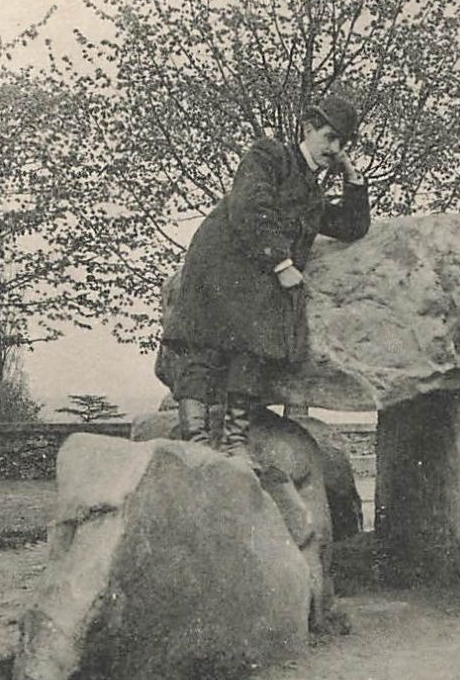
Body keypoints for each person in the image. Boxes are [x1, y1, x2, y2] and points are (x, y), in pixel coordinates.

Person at [156, 95, 372, 454]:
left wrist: (353, 178)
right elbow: (250, 206)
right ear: (307, 129)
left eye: (342, 143)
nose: (334, 149)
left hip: (257, 275)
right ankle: (193, 439)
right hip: (220, 261)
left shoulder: (312, 195)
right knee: (202, 347)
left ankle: (233, 440)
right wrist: (282, 263)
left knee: (254, 350)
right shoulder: (269, 155)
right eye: (329, 137)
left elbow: (352, 226)